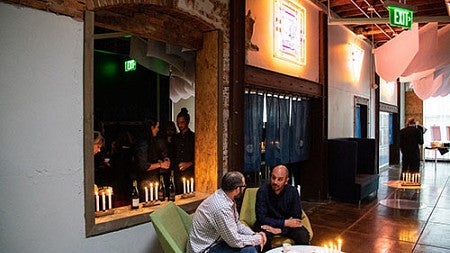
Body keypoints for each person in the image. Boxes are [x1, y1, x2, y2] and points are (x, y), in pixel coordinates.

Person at [187, 171, 266, 253]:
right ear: (237, 189)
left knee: (253, 244)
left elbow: (236, 223)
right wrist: (259, 238)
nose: (244, 189)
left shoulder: (226, 197)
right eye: (243, 186)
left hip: (216, 241)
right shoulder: (222, 207)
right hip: (205, 248)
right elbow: (234, 241)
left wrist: (254, 234)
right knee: (250, 250)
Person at [255, 165, 310, 251]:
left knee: (303, 235)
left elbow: (296, 218)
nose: (275, 182)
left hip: (287, 227)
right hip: (267, 225)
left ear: (286, 181)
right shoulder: (263, 191)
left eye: (279, 179)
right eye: (273, 178)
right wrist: (285, 222)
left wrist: (280, 230)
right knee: (263, 236)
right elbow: (261, 218)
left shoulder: (293, 192)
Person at [135, 117, 171, 192]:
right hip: (146, 182)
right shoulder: (143, 143)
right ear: (152, 127)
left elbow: (150, 158)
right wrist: (161, 165)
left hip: (152, 179)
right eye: (157, 127)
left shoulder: (151, 141)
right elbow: (144, 165)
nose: (158, 129)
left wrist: (162, 160)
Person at [172, 108, 195, 194]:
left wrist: (189, 163)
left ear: (187, 122)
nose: (180, 125)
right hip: (177, 172)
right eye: (178, 123)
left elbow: (199, 157)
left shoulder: (193, 137)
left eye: (182, 123)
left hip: (190, 172)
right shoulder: (175, 138)